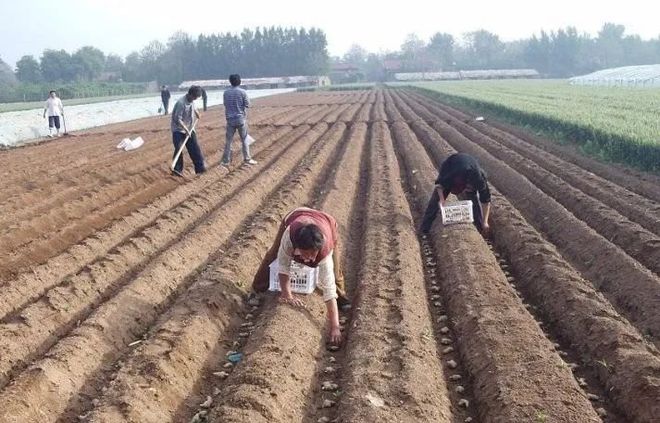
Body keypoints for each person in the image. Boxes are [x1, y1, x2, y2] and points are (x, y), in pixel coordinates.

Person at [251, 207, 352, 344]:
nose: (309, 259)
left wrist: (335, 327)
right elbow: (284, 266)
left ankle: (342, 299)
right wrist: (287, 294)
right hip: (296, 215)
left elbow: (328, 289)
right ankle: (257, 289)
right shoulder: (289, 238)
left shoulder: (324, 251)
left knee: (334, 271)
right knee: (272, 255)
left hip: (327, 223)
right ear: (297, 247)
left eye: (313, 254)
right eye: (306, 254)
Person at [420, 153, 491, 235]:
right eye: (468, 188)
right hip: (452, 165)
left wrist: (485, 222)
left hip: (469, 166)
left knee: (473, 201)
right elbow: (439, 185)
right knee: (435, 201)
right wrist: (442, 199)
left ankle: (480, 227)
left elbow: (486, 201)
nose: (468, 190)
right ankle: (424, 230)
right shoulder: (451, 176)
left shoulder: (480, 181)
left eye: (470, 189)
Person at [221, 74, 256, 167]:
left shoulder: (226, 93)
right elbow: (247, 104)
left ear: (230, 82)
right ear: (239, 81)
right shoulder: (243, 92)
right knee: (244, 139)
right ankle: (247, 159)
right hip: (240, 119)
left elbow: (225, 104)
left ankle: (226, 161)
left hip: (230, 119)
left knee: (228, 141)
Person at [170, 85, 206, 176]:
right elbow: (178, 119)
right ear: (189, 94)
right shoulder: (181, 103)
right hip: (178, 130)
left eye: (196, 98)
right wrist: (185, 129)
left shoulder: (192, 101)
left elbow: (193, 107)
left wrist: (197, 113)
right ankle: (177, 170)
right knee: (179, 148)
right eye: (194, 97)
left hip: (190, 129)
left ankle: (200, 169)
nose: (195, 99)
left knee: (195, 148)